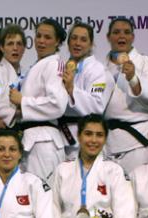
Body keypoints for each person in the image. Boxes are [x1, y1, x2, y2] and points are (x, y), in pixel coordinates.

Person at [47, 115, 137, 218]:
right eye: (88, 134)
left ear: (105, 139)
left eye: (99, 135)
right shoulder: (63, 169)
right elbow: (52, 209)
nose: (93, 140)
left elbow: (124, 211)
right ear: (79, 136)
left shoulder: (114, 170)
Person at [102, 18, 148, 175]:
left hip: (138, 142)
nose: (121, 36)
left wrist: (133, 78)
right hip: (108, 142)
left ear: (132, 37)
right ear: (108, 37)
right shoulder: (100, 67)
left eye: (126, 32)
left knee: (139, 188)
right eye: (116, 32)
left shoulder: (146, 62)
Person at [11, 19, 69, 181]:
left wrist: (23, 101)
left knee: (44, 193)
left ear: (57, 41)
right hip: (31, 140)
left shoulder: (54, 64)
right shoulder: (39, 65)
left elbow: (57, 104)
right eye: (39, 36)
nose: (41, 41)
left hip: (44, 142)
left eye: (47, 37)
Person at [60, 22, 113, 158]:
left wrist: (72, 89)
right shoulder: (61, 67)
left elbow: (96, 106)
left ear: (91, 44)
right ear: (68, 42)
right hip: (59, 137)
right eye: (74, 38)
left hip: (83, 140)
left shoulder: (97, 69)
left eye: (83, 40)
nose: (77, 43)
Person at [0, 25, 26, 129]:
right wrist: (20, 113)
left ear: (24, 48)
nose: (15, 48)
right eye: (10, 44)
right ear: (2, 48)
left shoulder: (28, 73)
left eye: (19, 44)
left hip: (27, 130)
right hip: (4, 129)